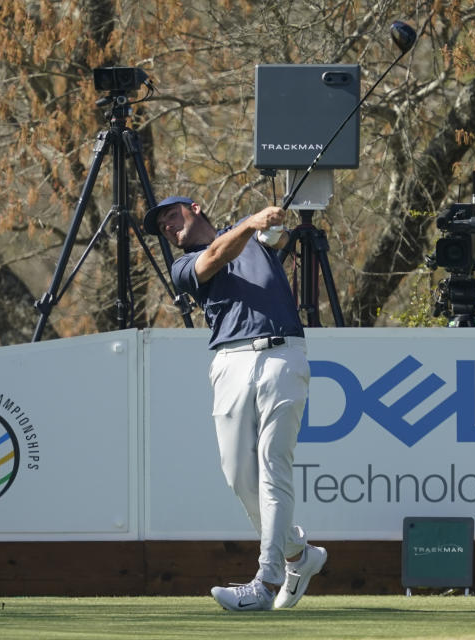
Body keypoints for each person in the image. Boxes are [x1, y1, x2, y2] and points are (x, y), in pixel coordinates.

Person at [143, 195, 327, 611]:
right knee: (238, 475)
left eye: (173, 216)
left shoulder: (254, 236)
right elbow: (214, 258)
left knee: (272, 463)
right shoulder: (184, 267)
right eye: (163, 228)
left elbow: (274, 239)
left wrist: (271, 224)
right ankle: (298, 552)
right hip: (230, 360)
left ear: (196, 207)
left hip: (283, 353)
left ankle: (267, 580)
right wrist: (250, 223)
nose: (170, 227)